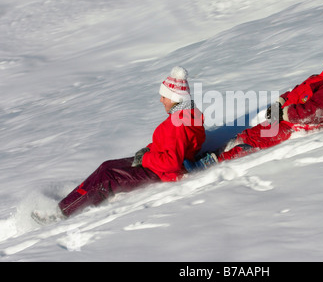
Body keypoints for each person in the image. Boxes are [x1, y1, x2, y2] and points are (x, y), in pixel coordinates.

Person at [33, 66, 205, 223]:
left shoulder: (179, 123)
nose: (161, 100)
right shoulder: (184, 116)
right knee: (106, 167)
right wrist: (148, 149)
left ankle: (62, 215)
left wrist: (145, 158)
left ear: (175, 98)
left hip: (160, 173)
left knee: (107, 179)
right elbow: (170, 145)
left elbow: (172, 163)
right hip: (154, 163)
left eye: (164, 96)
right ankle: (67, 204)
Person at [186, 61, 323, 171]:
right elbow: (297, 92)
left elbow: (312, 113)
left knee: (250, 144)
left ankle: (209, 165)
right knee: (244, 136)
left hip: (290, 125)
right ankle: (212, 155)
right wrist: (280, 102)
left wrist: (285, 112)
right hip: (283, 118)